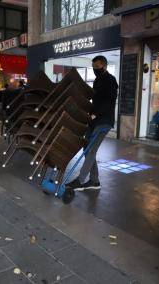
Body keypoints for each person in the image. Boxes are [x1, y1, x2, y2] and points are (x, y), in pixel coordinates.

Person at [66, 55, 118, 191]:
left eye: (97, 67)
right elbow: (95, 101)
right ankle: (94, 181)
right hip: (93, 121)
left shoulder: (111, 81)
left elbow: (110, 102)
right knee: (86, 149)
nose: (95, 69)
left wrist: (96, 113)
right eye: (93, 67)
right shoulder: (96, 80)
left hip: (104, 120)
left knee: (91, 150)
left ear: (104, 66)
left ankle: (80, 180)